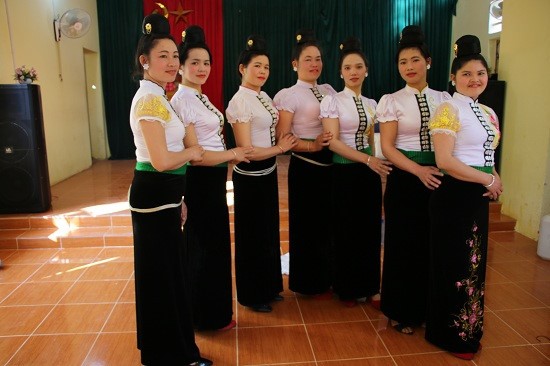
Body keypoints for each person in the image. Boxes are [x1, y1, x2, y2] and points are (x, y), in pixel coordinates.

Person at [128, 14, 212, 366]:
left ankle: (169, 351)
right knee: (162, 280)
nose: (172, 63)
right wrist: (193, 152)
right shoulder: (149, 100)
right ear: (144, 61)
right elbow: (161, 160)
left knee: (167, 277)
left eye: (175, 55)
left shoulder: (160, 98)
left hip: (164, 196)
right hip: (153, 193)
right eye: (162, 56)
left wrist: (177, 199)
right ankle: (173, 355)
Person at [170, 25, 252, 331]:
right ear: (180, 66)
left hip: (214, 181)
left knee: (216, 249)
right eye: (194, 62)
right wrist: (235, 153)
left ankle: (216, 314)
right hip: (200, 181)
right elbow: (196, 153)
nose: (202, 68)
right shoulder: (183, 100)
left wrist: (228, 156)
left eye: (206, 62)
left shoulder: (199, 96)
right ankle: (201, 317)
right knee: (202, 250)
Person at [426, 34, 502, 360]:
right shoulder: (448, 107)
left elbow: (488, 153)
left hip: (477, 198)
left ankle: (469, 328)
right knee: (455, 266)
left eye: (480, 73)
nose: (475, 79)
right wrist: (487, 177)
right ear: (453, 78)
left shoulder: (487, 111)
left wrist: (495, 176)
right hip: (455, 196)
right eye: (467, 74)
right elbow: (445, 161)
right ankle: (448, 335)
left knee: (473, 266)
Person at [376, 25, 451, 334]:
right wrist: (418, 170)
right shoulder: (391, 100)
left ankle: (430, 308)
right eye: (403, 61)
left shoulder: (445, 99)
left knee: (432, 246)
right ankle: (401, 310)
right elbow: (388, 148)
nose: (408, 67)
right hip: (405, 182)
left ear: (429, 61)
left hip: (440, 180)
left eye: (415, 60)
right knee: (402, 246)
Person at [226, 35, 297, 313]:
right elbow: (246, 150)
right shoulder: (240, 102)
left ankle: (269, 286)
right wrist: (280, 148)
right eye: (257, 66)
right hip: (250, 175)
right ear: (242, 68)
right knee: (251, 237)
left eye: (266, 67)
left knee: (268, 232)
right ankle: (252, 294)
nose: (262, 72)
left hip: (267, 172)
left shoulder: (263, 96)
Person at [320, 37, 392, 307]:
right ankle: (347, 287)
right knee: (346, 229)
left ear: (366, 71)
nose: (353, 72)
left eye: (358, 66)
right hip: (344, 172)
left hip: (369, 173)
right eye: (347, 67)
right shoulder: (332, 101)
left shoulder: (375, 104)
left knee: (371, 229)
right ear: (340, 73)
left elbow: (375, 141)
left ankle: (371, 286)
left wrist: (376, 161)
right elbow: (334, 142)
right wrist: (367, 160)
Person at [273, 29, 336, 298]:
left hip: (330, 163)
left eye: (318, 58)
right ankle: (307, 282)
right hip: (305, 165)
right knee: (306, 224)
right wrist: (312, 145)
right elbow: (282, 136)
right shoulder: (289, 95)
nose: (314, 64)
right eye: (308, 59)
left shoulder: (329, 89)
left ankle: (328, 274)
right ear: (295, 64)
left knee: (327, 222)